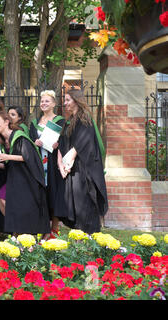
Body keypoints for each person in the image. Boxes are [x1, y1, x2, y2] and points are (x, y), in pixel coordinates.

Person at [56, 89, 108, 234]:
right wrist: (61, 165)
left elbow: (83, 141)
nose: (65, 103)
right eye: (64, 100)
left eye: (67, 100)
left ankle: (90, 237)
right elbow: (61, 142)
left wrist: (70, 159)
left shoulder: (85, 119)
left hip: (82, 169)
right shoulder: (69, 121)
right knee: (74, 205)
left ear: (76, 100)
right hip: (71, 170)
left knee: (84, 204)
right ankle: (79, 237)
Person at [0, 111, 50, 236]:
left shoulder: (19, 136)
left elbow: (27, 157)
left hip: (27, 176)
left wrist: (7, 156)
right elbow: (7, 163)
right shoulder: (4, 140)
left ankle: (19, 231)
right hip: (15, 176)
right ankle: (17, 227)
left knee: (12, 201)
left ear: (7, 122)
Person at [29, 90, 66, 239]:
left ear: (54, 104)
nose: (43, 103)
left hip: (52, 163)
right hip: (39, 162)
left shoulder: (60, 121)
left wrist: (60, 143)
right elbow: (30, 141)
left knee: (54, 193)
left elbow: (66, 140)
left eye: (47, 101)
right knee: (42, 195)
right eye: (42, 101)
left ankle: (55, 229)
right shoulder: (35, 122)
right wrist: (34, 142)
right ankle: (44, 228)